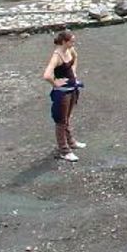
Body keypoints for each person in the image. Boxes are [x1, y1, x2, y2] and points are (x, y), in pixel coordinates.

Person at [42, 30, 85, 162]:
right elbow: (46, 75)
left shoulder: (70, 50)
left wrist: (74, 72)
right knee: (61, 121)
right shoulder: (57, 56)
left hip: (72, 90)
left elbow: (75, 57)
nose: (74, 43)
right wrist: (56, 83)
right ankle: (64, 150)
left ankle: (71, 142)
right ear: (64, 42)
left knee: (67, 118)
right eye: (72, 41)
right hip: (62, 93)